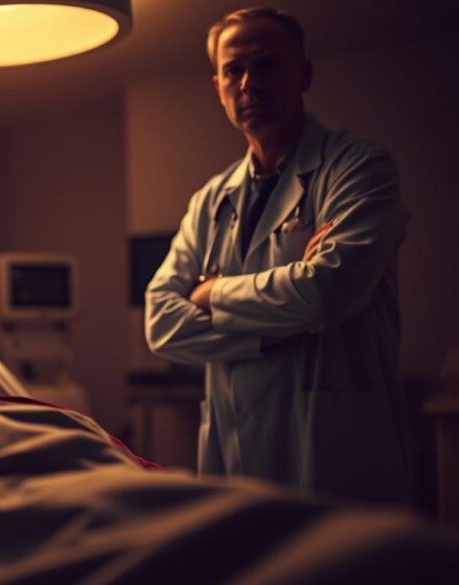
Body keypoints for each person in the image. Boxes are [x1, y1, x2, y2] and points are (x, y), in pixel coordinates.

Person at [145, 7, 410, 504]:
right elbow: (160, 321)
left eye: (266, 65)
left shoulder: (359, 168)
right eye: (233, 70)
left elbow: (326, 292)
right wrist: (269, 332)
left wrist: (208, 292)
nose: (249, 84)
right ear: (217, 85)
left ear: (302, 73)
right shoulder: (210, 200)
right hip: (235, 453)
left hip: (336, 455)